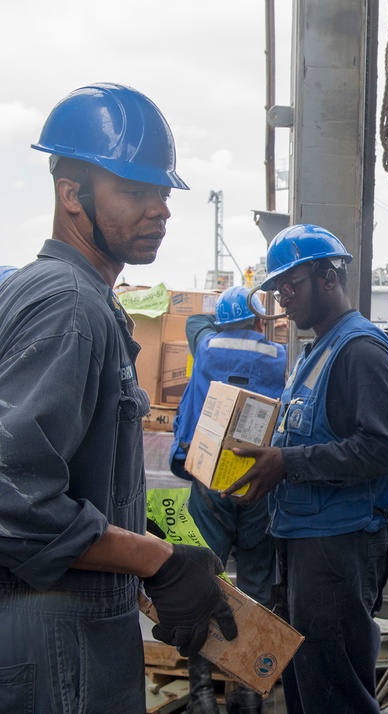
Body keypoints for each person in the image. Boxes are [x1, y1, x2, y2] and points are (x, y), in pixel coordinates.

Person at [0, 83, 236, 714]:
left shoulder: (75, 296)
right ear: (70, 195)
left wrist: (143, 548)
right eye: (134, 192)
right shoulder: (68, 306)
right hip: (54, 648)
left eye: (162, 193)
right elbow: (12, 499)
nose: (159, 210)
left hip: (69, 638)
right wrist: (154, 558)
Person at [222, 224, 388, 714]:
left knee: (336, 698)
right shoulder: (319, 352)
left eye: (291, 284)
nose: (283, 297)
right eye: (276, 288)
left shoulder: (360, 350)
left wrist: (286, 464)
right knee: (311, 691)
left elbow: (387, 448)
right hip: (309, 545)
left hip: (340, 550)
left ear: (328, 276)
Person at [169, 285, 287, 714]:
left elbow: (194, 322)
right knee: (255, 585)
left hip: (210, 480)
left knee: (202, 581)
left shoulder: (208, 345)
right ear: (259, 321)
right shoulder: (280, 357)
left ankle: (201, 694)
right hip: (257, 481)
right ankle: (248, 693)